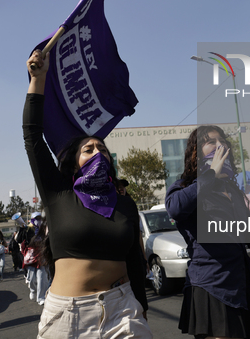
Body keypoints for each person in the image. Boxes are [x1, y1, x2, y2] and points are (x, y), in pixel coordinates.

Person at [24, 50, 150, 338]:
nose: (97, 153)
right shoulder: (58, 195)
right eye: (89, 150)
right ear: (74, 162)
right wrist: (38, 79)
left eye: (102, 149)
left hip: (123, 312)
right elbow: (32, 136)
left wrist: (141, 306)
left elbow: (135, 263)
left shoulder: (125, 205)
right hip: (67, 317)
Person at [165, 125, 250, 339]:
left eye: (222, 142)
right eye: (211, 142)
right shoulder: (184, 187)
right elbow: (175, 207)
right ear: (194, 152)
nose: (219, 146)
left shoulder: (233, 191)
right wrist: (210, 174)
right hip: (211, 285)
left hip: (241, 285)